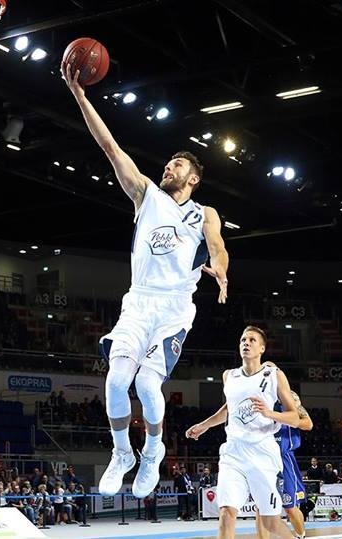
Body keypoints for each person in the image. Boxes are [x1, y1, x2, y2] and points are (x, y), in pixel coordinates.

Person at [63, 60, 230, 499]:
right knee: (116, 381)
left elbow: (218, 247)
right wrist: (80, 94)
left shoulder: (204, 212)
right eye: (169, 163)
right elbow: (110, 146)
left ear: (192, 178)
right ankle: (123, 453)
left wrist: (221, 271)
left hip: (175, 307)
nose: (168, 168)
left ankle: (153, 452)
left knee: (145, 383)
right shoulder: (145, 196)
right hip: (138, 301)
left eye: (177, 165)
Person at [185, 326, 300, 539]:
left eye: (252, 340)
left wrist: (270, 413)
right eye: (243, 340)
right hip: (234, 452)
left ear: (262, 348)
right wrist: (204, 425)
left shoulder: (274, 375)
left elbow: (295, 417)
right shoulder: (230, 376)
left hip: (262, 452)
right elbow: (228, 409)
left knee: (271, 522)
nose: (246, 343)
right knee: (227, 513)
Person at [255, 388, 312, 539]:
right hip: (264, 459)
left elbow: (308, 424)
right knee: (262, 508)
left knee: (290, 508)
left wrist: (287, 419)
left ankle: (301, 536)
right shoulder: (259, 399)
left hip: (284, 459)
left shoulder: (290, 399)